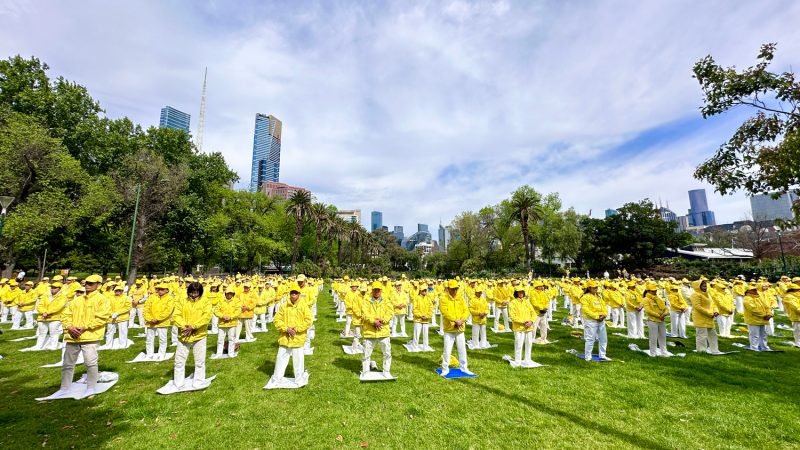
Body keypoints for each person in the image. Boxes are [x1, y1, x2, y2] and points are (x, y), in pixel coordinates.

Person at [55, 275, 111, 397]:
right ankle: (64, 387)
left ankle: (91, 387)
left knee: (90, 363)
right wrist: (69, 327)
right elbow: (65, 315)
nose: (87, 285)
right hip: (73, 336)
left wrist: (85, 327)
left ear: (98, 285)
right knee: (67, 363)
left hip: (91, 336)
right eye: (86, 283)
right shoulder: (76, 300)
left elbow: (102, 318)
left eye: (91, 283)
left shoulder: (102, 300)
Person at [270, 283, 313, 384]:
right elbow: (276, 320)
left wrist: (297, 329)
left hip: (298, 338)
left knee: (298, 360)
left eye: (296, 293)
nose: (294, 295)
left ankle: (299, 379)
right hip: (285, 337)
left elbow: (309, 320)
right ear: (289, 294)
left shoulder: (304, 306)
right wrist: (286, 329)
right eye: (292, 293)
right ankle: (277, 378)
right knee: (281, 358)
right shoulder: (283, 306)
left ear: (299, 294)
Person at [171, 281, 212, 388]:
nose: (194, 295)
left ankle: (198, 382)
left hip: (199, 335)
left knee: (199, 361)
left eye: (196, 292)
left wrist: (194, 326)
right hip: (184, 335)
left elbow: (206, 317)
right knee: (179, 361)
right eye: (192, 292)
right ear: (188, 292)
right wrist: (185, 326)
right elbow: (176, 316)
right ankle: (178, 383)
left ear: (200, 292)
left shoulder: (205, 302)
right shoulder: (182, 301)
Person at [439, 279, 473, 376]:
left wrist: (462, 320)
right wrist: (455, 320)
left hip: (460, 327)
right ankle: (445, 369)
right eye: (453, 289)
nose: (455, 291)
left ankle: (464, 368)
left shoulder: (460, 297)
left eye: (456, 289)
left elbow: (466, 310)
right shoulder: (443, 298)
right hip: (449, 328)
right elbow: (445, 312)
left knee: (462, 349)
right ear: (448, 288)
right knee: (447, 349)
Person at [361, 281, 394, 376]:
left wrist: (383, 320)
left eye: (378, 290)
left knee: (387, 353)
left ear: (381, 290)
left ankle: (386, 371)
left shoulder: (386, 300)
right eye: (375, 290)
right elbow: (364, 314)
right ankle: (366, 372)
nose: (377, 291)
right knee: (366, 353)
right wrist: (373, 321)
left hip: (383, 331)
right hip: (370, 331)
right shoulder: (366, 300)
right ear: (372, 290)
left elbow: (390, 313)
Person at [581, 280, 611, 361]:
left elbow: (604, 306)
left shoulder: (598, 297)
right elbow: (585, 309)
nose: (596, 289)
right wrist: (596, 316)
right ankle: (588, 356)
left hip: (601, 320)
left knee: (603, 338)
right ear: (589, 288)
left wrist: (604, 315)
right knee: (590, 339)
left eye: (597, 287)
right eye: (594, 287)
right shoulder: (585, 297)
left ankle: (602, 355)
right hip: (591, 321)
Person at [144, 282, 174, 360]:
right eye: (159, 289)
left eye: (162, 289)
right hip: (151, 322)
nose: (160, 291)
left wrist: (157, 319)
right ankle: (149, 354)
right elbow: (146, 308)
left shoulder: (170, 299)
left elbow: (168, 311)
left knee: (162, 339)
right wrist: (150, 319)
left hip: (162, 322)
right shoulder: (152, 297)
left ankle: (161, 354)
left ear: (167, 290)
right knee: (149, 339)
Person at [691, 280, 721, 354]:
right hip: (700, 317)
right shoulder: (695, 295)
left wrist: (716, 311)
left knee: (713, 334)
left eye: (705, 285)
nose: (705, 287)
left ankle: (714, 350)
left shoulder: (708, 294)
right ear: (698, 286)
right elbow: (697, 307)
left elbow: (713, 304)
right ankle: (701, 351)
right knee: (702, 335)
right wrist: (709, 313)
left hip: (709, 317)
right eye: (703, 285)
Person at [508, 285, 536, 366]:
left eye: (522, 292)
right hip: (518, 327)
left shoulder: (527, 302)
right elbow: (512, 316)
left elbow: (533, 313)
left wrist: (531, 321)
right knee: (519, 344)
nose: (521, 294)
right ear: (516, 293)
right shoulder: (512, 303)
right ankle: (518, 361)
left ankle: (528, 359)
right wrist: (523, 322)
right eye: (519, 292)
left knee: (529, 343)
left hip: (529, 327)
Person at [35, 281, 67, 350]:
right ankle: (38, 346)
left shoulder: (63, 297)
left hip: (55, 317)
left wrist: (47, 313)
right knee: (42, 333)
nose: (52, 289)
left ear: (59, 289)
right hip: (43, 316)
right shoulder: (45, 295)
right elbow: (39, 305)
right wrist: (44, 312)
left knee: (53, 332)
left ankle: (53, 346)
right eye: (52, 287)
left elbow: (59, 307)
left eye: (55, 288)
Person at [643, 281, 671, 357]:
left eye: (655, 290)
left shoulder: (658, 298)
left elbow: (665, 308)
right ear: (648, 291)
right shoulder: (646, 299)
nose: (654, 292)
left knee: (663, 337)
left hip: (661, 320)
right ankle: (653, 353)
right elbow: (648, 310)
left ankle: (664, 352)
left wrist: (665, 314)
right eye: (653, 291)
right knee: (653, 338)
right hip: (653, 320)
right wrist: (659, 315)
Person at [743, 283, 772, 351]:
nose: (755, 291)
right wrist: (765, 315)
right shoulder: (747, 299)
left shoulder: (758, 298)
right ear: (748, 291)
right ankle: (754, 348)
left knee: (763, 335)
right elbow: (753, 309)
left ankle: (764, 347)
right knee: (754, 335)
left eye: (755, 289)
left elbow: (767, 306)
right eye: (753, 290)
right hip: (753, 320)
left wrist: (769, 314)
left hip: (762, 319)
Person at [214, 286, 242, 357]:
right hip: (222, 323)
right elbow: (216, 310)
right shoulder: (221, 301)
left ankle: (231, 353)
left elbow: (238, 311)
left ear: (233, 294)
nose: (229, 295)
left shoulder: (237, 301)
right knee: (220, 339)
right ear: (225, 294)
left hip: (232, 323)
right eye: (227, 293)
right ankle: (219, 353)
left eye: (231, 293)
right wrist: (222, 316)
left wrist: (230, 317)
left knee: (231, 339)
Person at [103, 284, 130, 348]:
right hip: (111, 318)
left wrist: (118, 313)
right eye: (116, 290)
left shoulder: (126, 298)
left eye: (119, 290)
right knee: (109, 332)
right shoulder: (110, 298)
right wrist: (111, 313)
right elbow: (107, 307)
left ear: (122, 291)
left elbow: (128, 307)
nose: (117, 291)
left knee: (123, 332)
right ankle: (108, 345)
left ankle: (123, 345)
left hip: (123, 318)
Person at [412, 285, 435, 350]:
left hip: (426, 320)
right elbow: (414, 309)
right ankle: (415, 347)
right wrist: (420, 315)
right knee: (417, 334)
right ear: (420, 291)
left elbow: (431, 309)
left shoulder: (428, 298)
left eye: (425, 290)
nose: (425, 291)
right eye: (423, 290)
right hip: (418, 319)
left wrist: (427, 316)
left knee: (425, 334)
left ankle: (425, 347)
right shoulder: (416, 298)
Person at [468, 283, 489, 348]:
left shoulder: (483, 300)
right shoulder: (472, 300)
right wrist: (479, 313)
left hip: (483, 319)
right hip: (476, 320)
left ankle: (483, 344)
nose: (479, 294)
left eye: (480, 292)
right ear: (475, 293)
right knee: (475, 333)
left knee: (483, 333)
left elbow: (487, 308)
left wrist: (485, 313)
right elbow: (471, 310)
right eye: (478, 292)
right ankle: (475, 345)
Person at [783, 283, 800, 347]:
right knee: (798, 330)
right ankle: (798, 344)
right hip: (796, 316)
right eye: (797, 289)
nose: (799, 290)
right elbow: (796, 308)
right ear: (792, 290)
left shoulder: (796, 296)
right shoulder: (788, 297)